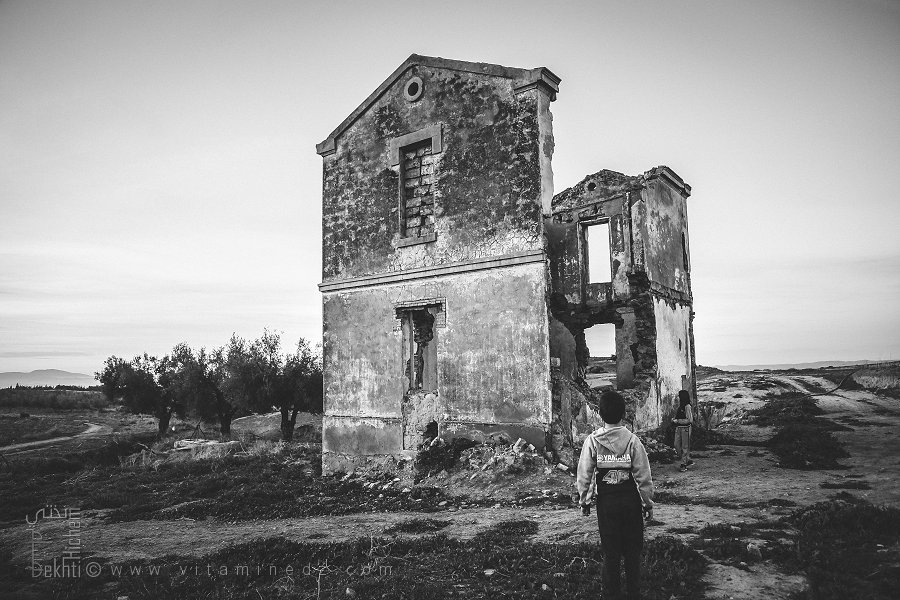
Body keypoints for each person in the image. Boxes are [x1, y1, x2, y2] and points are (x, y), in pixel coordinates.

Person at [577, 390, 654, 600]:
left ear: (600, 414)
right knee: (632, 552)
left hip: (607, 503)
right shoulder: (633, 441)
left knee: (610, 552)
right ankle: (634, 593)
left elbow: (585, 474)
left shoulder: (593, 441)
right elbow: (643, 476)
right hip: (630, 503)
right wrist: (647, 504)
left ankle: (612, 594)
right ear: (623, 413)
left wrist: (585, 501)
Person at [673, 389, 694, 472]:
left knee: (685, 446)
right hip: (678, 428)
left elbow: (690, 420)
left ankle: (683, 463)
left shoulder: (687, 406)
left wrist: (678, 421)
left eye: (679, 396)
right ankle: (686, 459)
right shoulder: (680, 406)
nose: (678, 398)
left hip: (685, 429)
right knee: (676, 445)